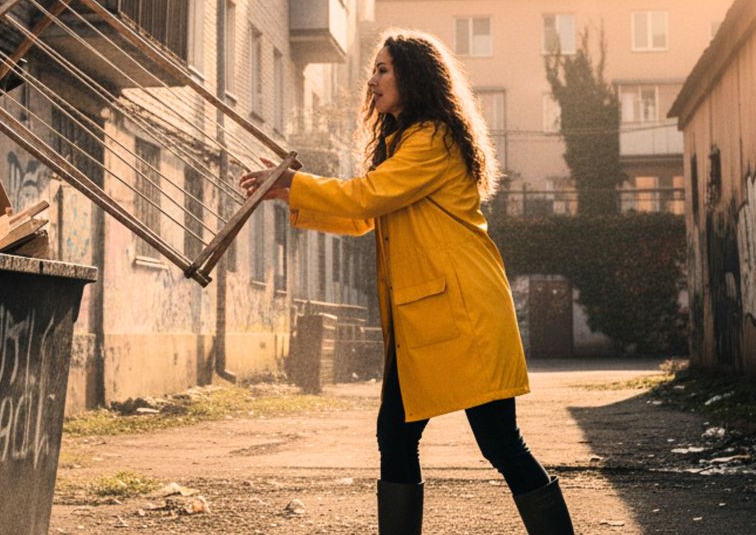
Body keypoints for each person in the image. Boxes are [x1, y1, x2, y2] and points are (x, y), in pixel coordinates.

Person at [239, 30, 575, 535]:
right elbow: (364, 216)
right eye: (373, 69)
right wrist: (290, 196)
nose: (371, 80)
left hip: (463, 315)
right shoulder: (403, 142)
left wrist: (294, 184)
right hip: (424, 319)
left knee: (500, 443)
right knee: (395, 437)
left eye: (382, 69)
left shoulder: (434, 139)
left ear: (413, 77)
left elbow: (364, 199)